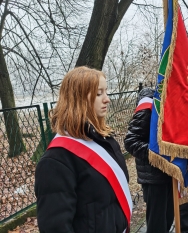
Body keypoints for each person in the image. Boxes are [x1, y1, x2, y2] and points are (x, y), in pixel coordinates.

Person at [35, 66, 132, 233]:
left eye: (106, 91)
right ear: (78, 99)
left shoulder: (105, 140)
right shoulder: (56, 160)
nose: (107, 99)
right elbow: (56, 227)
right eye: (98, 93)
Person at [124, 87, 188, 233]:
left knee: (168, 219)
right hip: (154, 177)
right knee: (157, 226)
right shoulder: (149, 102)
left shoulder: (176, 100)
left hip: (171, 174)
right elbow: (131, 142)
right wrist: (163, 153)